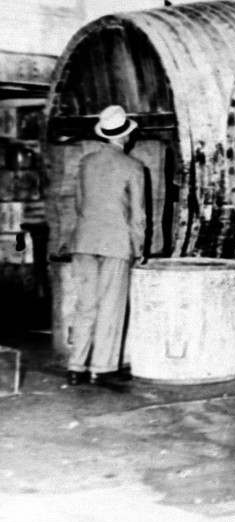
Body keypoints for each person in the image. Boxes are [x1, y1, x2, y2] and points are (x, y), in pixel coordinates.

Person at [65, 105, 147, 386]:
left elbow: (78, 203)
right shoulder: (134, 167)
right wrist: (139, 247)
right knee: (111, 306)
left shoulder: (86, 162)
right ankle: (101, 368)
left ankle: (76, 365)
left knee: (85, 305)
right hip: (116, 242)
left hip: (85, 240)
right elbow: (138, 215)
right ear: (126, 136)